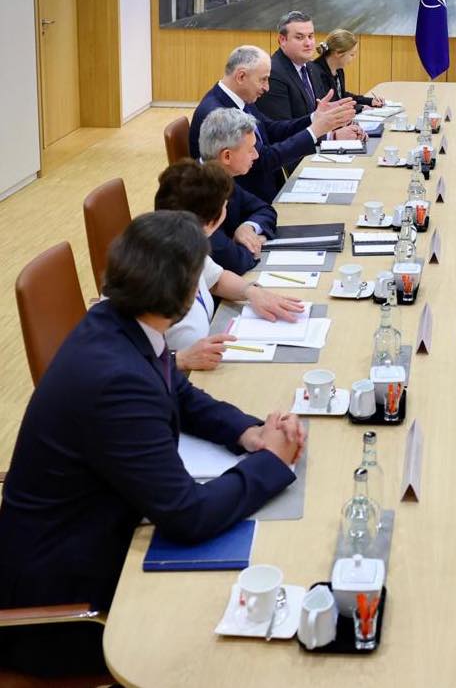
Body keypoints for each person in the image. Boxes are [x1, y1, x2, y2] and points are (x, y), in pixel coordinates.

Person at [0, 211, 306, 677]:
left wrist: (247, 432)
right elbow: (188, 515)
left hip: (96, 536)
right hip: (66, 611)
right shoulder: (116, 381)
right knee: (235, 652)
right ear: (184, 296)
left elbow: (176, 391)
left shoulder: (117, 320)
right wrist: (273, 462)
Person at [154, 159, 305, 370]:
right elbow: (121, 355)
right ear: (211, 223)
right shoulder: (150, 273)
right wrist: (179, 359)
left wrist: (252, 292)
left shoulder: (185, 244)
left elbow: (217, 278)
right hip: (172, 380)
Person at [190, 45, 355, 202]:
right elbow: (262, 160)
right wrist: (314, 131)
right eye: (263, 80)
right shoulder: (216, 114)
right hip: (247, 200)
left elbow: (270, 129)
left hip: (268, 187)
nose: (267, 87)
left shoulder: (240, 98)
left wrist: (314, 118)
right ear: (241, 76)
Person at [256, 11, 364, 144]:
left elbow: (317, 116)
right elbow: (280, 133)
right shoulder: (273, 73)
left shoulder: (312, 68)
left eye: (311, 36)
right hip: (297, 155)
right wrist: (331, 137)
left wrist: (345, 125)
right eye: (300, 37)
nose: (308, 43)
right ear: (282, 40)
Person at [197, 108, 279, 275]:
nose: (256, 155)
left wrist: (248, 228)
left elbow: (264, 209)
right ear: (227, 156)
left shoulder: (220, 175)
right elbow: (234, 261)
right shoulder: (194, 194)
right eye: (250, 149)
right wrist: (254, 243)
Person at [310, 28, 384, 110]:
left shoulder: (338, 69)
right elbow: (331, 104)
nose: (354, 58)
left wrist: (370, 101)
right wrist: (359, 108)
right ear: (338, 53)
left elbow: (342, 95)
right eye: (352, 54)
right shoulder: (316, 72)